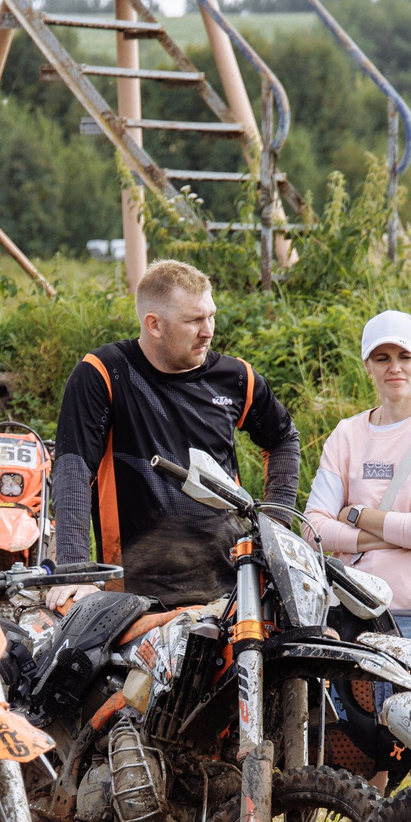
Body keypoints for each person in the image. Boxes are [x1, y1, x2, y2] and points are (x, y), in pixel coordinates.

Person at [52, 258, 302, 601]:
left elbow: (283, 438)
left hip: (233, 592)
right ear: (154, 324)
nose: (209, 330)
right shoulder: (104, 374)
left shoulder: (236, 378)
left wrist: (276, 526)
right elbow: (72, 470)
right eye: (194, 320)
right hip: (135, 596)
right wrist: (74, 571)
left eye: (211, 315)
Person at [305, 310, 411, 779]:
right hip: (356, 618)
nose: (393, 366)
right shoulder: (347, 435)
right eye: (382, 357)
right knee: (366, 766)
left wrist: (357, 516)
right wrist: (393, 531)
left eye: (403, 355)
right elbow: (313, 529)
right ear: (367, 365)